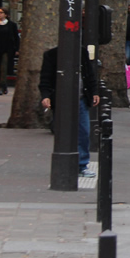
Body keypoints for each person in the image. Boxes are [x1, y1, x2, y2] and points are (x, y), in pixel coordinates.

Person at [38, 45, 100, 177]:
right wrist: (46, 95)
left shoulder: (82, 53)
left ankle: (81, 165)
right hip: (61, 100)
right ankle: (65, 164)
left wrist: (94, 91)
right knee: (63, 132)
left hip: (81, 98)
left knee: (84, 131)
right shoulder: (51, 55)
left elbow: (90, 75)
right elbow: (45, 78)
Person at [0, 7, 20, 95]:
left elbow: (16, 38)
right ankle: (4, 86)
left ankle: (1, 87)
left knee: (4, 67)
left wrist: (17, 49)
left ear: (5, 14)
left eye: (1, 12)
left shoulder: (12, 25)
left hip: (7, 49)